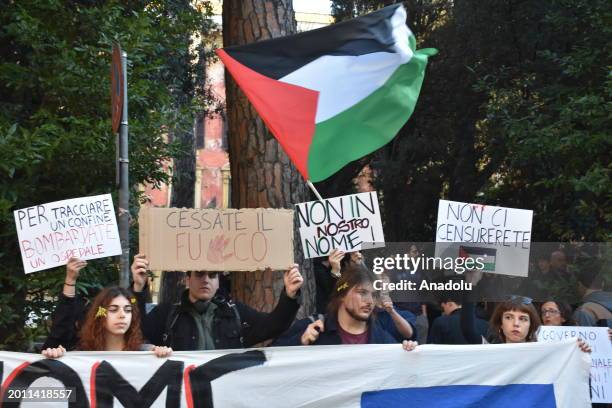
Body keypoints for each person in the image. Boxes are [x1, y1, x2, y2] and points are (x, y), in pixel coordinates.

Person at [131, 254, 304, 350]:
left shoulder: (237, 313)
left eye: (212, 275)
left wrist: (289, 295)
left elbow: (275, 325)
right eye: (199, 274)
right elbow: (136, 328)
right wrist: (138, 289)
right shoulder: (168, 314)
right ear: (188, 280)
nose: (206, 279)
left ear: (218, 282)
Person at [274, 263, 417, 350]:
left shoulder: (382, 338)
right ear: (342, 294)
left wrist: (407, 353)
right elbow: (268, 358)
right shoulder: (313, 327)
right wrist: (300, 341)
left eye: (373, 295)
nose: (370, 301)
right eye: (362, 293)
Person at [42, 286, 171, 358]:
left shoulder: (147, 352)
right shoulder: (79, 355)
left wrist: (163, 355)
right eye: (113, 310)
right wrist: (54, 359)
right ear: (101, 315)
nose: (122, 315)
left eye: (128, 310)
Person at [314, 249, 363, 314]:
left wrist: (355, 266)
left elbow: (352, 288)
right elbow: (336, 292)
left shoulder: (348, 261)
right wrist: (335, 272)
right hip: (326, 314)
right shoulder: (315, 267)